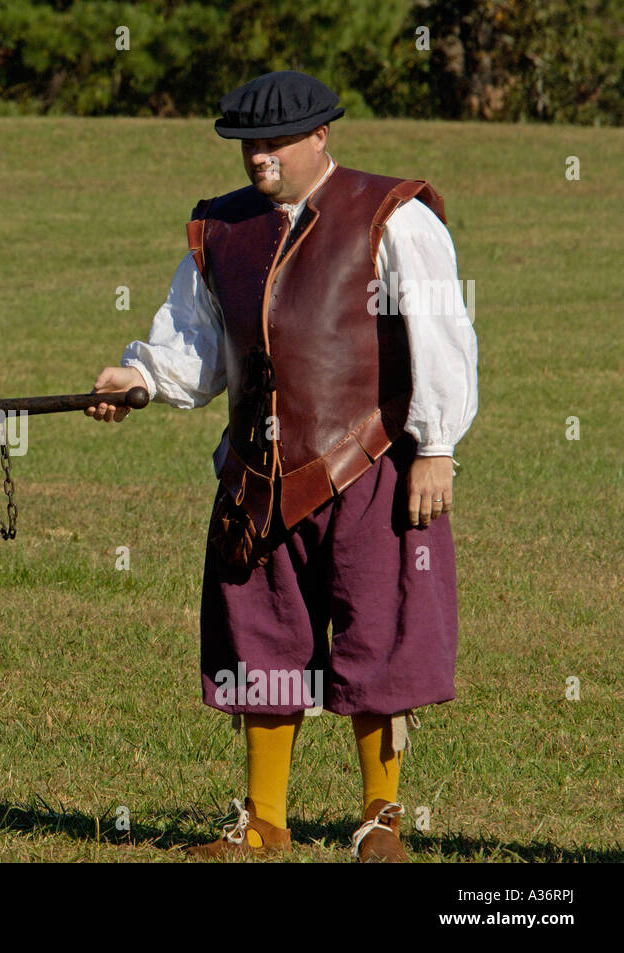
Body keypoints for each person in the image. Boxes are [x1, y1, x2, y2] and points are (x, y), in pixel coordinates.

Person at [87, 70, 478, 862]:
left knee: (383, 640)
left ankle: (380, 816)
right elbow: (195, 348)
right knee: (259, 643)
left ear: (320, 137)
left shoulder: (390, 215)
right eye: (246, 145)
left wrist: (436, 446)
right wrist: (140, 379)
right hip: (257, 477)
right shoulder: (221, 229)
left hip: (369, 464)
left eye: (272, 143)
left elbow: (441, 329)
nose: (257, 158)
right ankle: (263, 819)